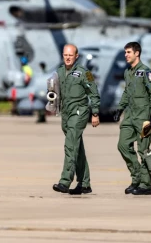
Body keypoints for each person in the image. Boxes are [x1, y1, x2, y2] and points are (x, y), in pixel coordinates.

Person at [52, 44, 100, 195]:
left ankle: (65, 181)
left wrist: (96, 113)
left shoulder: (84, 73)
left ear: (76, 56)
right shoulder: (59, 72)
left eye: (70, 55)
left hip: (79, 113)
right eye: (65, 55)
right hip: (66, 114)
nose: (67, 58)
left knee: (70, 146)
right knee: (77, 148)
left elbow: (94, 93)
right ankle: (84, 184)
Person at [113, 41, 151, 196]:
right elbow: (126, 92)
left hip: (144, 117)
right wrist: (120, 108)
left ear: (137, 53)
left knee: (143, 150)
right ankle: (137, 177)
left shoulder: (146, 72)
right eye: (125, 52)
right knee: (123, 145)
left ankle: (145, 185)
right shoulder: (128, 72)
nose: (126, 55)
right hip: (130, 116)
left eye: (128, 52)